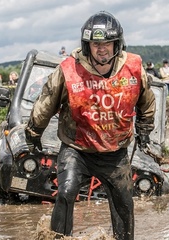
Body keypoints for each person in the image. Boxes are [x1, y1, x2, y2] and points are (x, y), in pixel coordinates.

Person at [25, 11, 156, 240]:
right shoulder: (68, 70)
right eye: (96, 44)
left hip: (115, 152)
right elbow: (46, 101)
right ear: (87, 46)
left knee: (124, 204)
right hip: (77, 148)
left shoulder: (134, 68)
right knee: (65, 192)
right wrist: (34, 132)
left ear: (117, 44)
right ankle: (57, 237)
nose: (102, 49)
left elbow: (146, 101)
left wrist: (145, 130)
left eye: (107, 43)